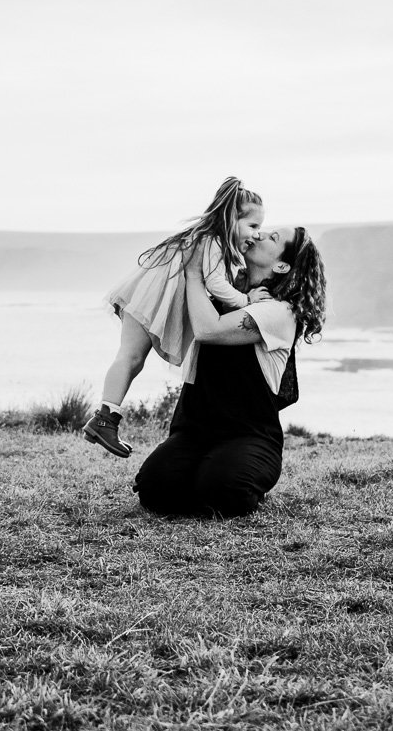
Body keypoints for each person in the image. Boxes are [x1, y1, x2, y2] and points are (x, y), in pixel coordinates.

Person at [133, 224, 327, 517]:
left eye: (273, 238)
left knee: (223, 493)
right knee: (153, 489)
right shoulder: (225, 296)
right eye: (263, 229)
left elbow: (208, 330)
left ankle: (227, 477)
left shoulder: (279, 312)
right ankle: (198, 474)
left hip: (249, 436)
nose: (260, 234)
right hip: (194, 432)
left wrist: (195, 272)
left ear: (281, 265)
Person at [82, 178, 266, 458]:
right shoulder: (213, 242)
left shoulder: (206, 237)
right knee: (130, 358)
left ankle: (106, 417)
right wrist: (246, 301)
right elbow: (216, 284)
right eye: (252, 226)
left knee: (131, 358)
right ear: (231, 218)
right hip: (151, 299)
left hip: (145, 295)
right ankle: (104, 420)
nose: (256, 234)